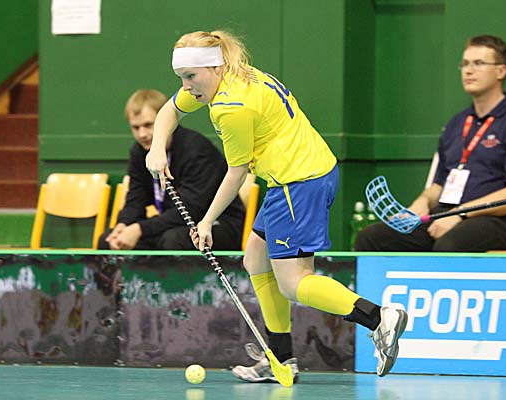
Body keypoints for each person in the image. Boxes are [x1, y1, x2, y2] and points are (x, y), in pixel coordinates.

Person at [145, 30, 408, 382]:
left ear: (212, 67)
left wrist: (206, 222)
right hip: (298, 176)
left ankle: (378, 317)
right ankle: (281, 359)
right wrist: (157, 148)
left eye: (190, 76)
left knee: (293, 282)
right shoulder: (238, 74)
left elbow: (236, 172)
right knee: (255, 259)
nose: (186, 86)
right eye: (181, 77)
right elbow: (170, 110)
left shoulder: (231, 108)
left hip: (299, 183)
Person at [355, 35, 506, 252]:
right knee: (371, 238)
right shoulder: (457, 123)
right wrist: (421, 203)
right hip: (446, 213)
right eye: (465, 64)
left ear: (501, 71)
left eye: (478, 63)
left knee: (449, 244)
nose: (469, 71)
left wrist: (461, 213)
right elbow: (438, 186)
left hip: (495, 221)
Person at [97, 89, 245, 250]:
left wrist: (140, 229)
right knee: (108, 240)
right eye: (136, 127)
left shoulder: (197, 150)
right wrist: (123, 225)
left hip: (217, 224)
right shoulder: (139, 152)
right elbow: (135, 198)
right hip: (173, 223)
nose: (142, 134)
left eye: (148, 125)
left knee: (172, 240)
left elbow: (192, 209)